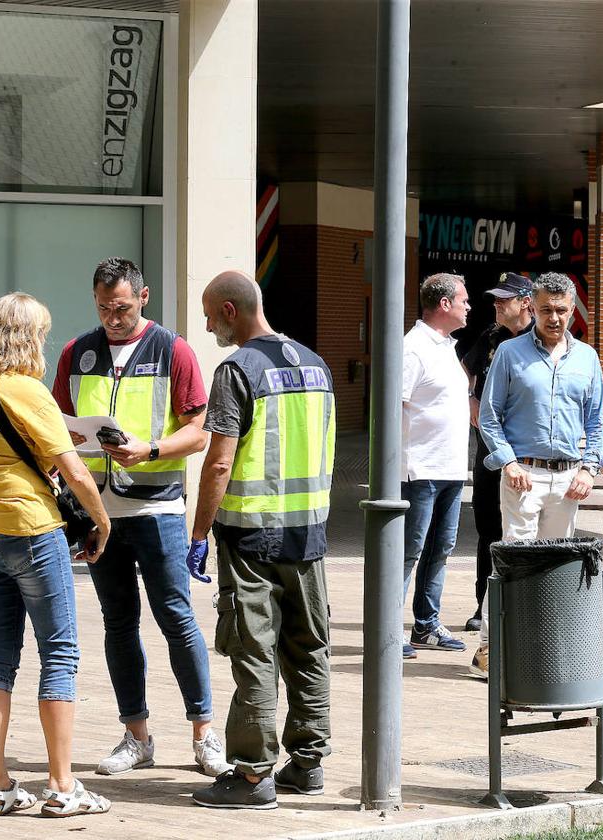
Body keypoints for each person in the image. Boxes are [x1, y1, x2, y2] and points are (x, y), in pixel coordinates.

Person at [51, 258, 230, 778]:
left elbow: (200, 432)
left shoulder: (173, 350)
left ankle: (204, 733)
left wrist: (150, 449)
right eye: (104, 307)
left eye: (122, 307)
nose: (112, 317)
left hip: (157, 509)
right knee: (117, 623)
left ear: (144, 297)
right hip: (99, 512)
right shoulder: (75, 352)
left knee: (176, 618)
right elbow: (58, 425)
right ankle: (136, 735)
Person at [0, 293, 112, 816]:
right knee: (60, 655)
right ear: (29, 338)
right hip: (32, 532)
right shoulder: (28, 390)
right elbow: (75, 470)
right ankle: (63, 786)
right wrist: (102, 519)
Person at [190, 270, 335, 810]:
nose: (207, 326)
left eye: (210, 315)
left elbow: (220, 460)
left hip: (252, 538)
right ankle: (307, 765)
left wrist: (199, 533)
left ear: (231, 310)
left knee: (255, 651)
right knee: (309, 646)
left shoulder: (237, 369)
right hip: (310, 536)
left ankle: (252, 776)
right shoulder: (315, 365)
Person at [474, 272, 603, 678]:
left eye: (562, 310)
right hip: (524, 475)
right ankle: (490, 648)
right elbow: (489, 415)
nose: (554, 318)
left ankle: (542, 646)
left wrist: (589, 468)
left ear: (572, 311)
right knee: (512, 561)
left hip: (568, 480)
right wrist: (508, 463)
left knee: (555, 567)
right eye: (547, 309)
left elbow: (598, 421)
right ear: (533, 307)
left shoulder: (587, 358)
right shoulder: (510, 354)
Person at [400, 273, 472, 658]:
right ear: (444, 304)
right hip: (420, 471)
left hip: (451, 469)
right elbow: (394, 405)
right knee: (408, 551)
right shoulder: (413, 348)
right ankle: (388, 630)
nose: (468, 306)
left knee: (440, 549)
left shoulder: (445, 346)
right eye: (464, 300)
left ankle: (426, 626)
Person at [459, 272, 535, 632]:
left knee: (524, 529)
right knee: (488, 527)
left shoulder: (543, 340)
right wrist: (471, 397)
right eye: (495, 299)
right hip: (490, 449)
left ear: (525, 302)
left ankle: (525, 605)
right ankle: (483, 605)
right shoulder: (490, 337)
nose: (496, 305)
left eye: (504, 299)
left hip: (527, 451)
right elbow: (464, 371)